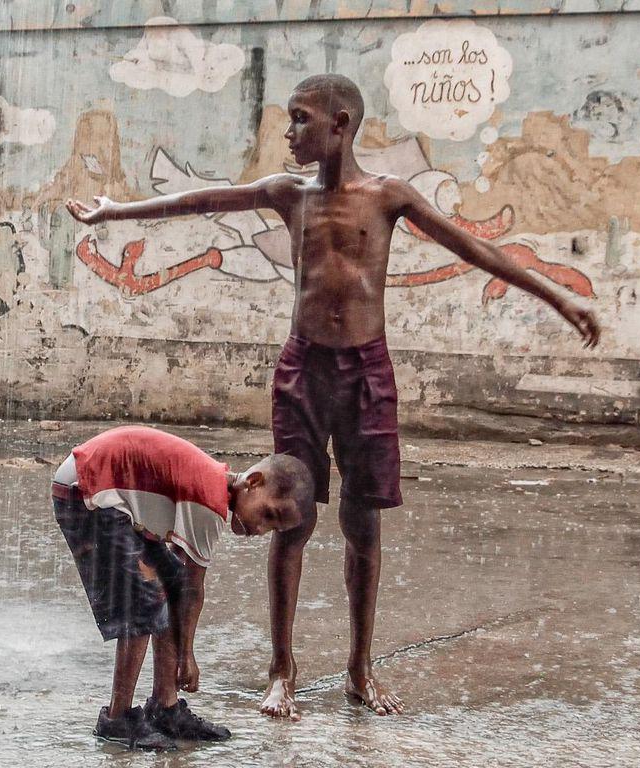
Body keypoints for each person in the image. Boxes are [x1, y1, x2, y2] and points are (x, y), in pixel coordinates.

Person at [67, 74, 601, 719]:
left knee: (363, 524)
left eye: (301, 120)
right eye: (290, 120)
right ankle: (282, 670)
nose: (290, 133)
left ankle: (359, 668)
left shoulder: (388, 196)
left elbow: (476, 249)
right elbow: (205, 201)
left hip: (368, 375)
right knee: (292, 521)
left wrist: (559, 296)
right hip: (303, 371)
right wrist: (115, 213)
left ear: (340, 124)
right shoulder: (288, 195)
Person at [52, 425, 314, 750]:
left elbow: (179, 582)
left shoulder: (211, 487)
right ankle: (117, 719)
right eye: (267, 514)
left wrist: (182, 651)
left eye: (271, 528)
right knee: (143, 602)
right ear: (253, 482)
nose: (260, 529)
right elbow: (193, 587)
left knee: (166, 582)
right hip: (87, 491)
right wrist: (186, 656)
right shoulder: (209, 500)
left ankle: (165, 707)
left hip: (105, 492)